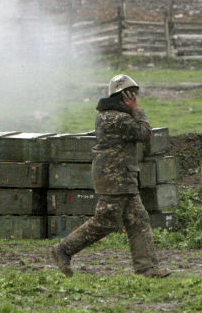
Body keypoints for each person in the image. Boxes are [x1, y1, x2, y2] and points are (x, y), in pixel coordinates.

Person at [50, 74, 171, 278]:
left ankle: (147, 269)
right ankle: (63, 249)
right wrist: (137, 111)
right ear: (123, 96)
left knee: (138, 220)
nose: (135, 98)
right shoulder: (118, 117)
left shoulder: (109, 115)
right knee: (105, 222)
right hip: (114, 178)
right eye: (132, 95)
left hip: (121, 177)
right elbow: (144, 133)